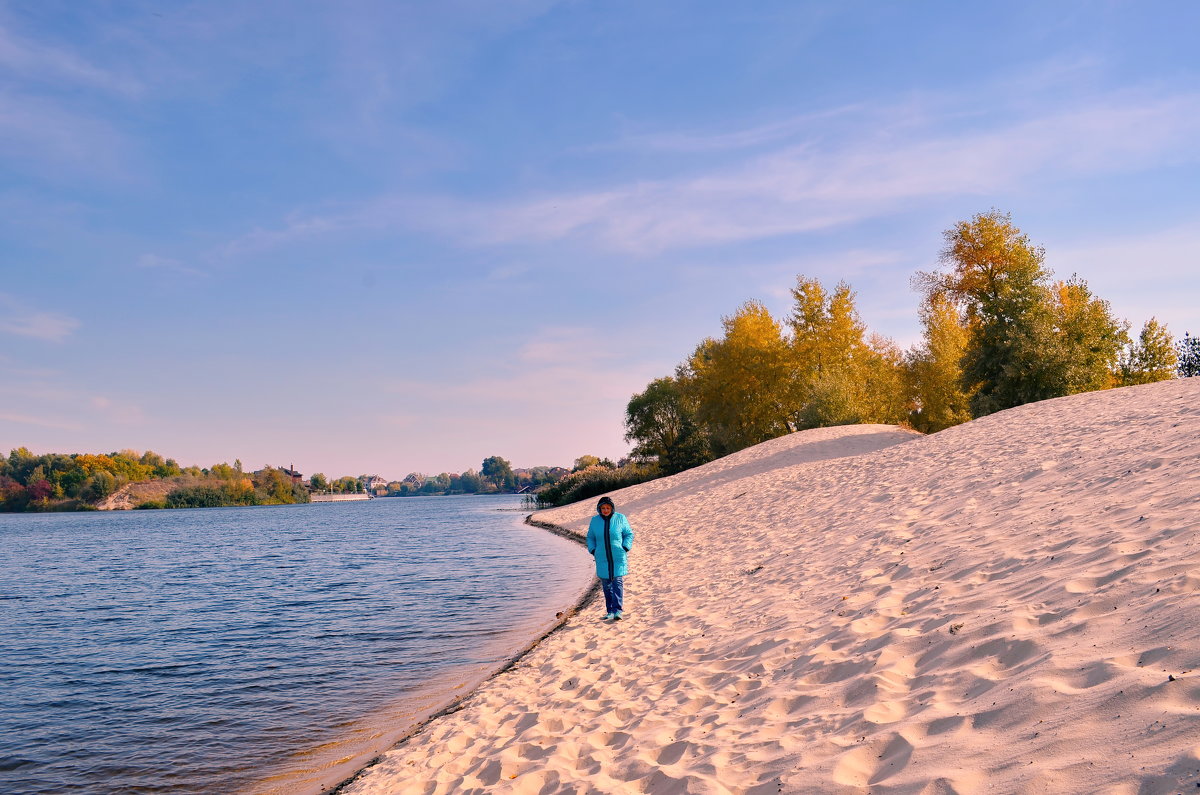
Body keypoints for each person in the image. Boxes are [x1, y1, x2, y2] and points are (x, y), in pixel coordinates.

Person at [586, 496, 634, 621]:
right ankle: (610, 611)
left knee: (617, 582)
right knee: (606, 585)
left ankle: (618, 610)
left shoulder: (620, 518)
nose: (605, 510)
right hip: (601, 557)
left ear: (612, 508)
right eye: (603, 508)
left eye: (608, 508)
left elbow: (628, 534)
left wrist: (625, 547)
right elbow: (590, 537)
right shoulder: (595, 520)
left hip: (618, 556)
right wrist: (593, 550)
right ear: (599, 509)